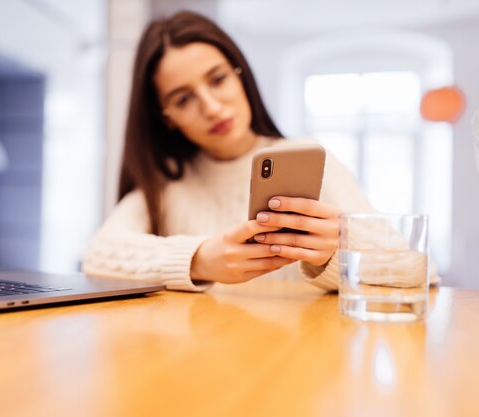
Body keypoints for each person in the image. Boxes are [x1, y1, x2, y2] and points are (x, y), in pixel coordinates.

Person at [82, 11, 433, 292]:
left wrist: (335, 253)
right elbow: (98, 255)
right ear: (167, 118)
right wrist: (198, 259)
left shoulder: (311, 163)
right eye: (183, 99)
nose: (212, 107)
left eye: (218, 79)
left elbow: (420, 269)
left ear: (241, 76)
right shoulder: (166, 182)